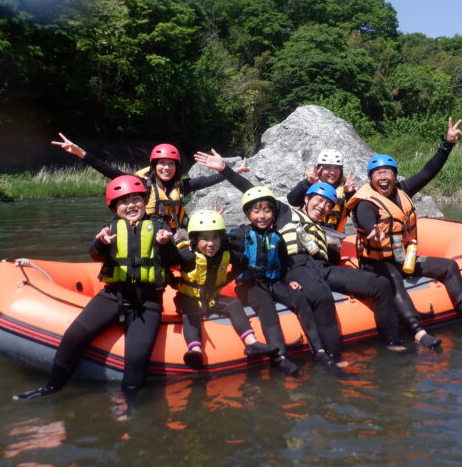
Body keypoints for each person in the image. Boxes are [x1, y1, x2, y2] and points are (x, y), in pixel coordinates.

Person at [194, 149, 407, 367]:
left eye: (328, 204)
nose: (322, 207)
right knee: (321, 295)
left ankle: (392, 341)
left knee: (380, 284)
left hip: (323, 268)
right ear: (306, 199)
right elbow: (256, 194)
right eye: (318, 200)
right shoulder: (286, 214)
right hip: (295, 265)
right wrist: (225, 170)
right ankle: (333, 358)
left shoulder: (325, 229)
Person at [346, 117, 462, 350]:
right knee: (394, 282)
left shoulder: (402, 190)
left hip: (402, 257)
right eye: (378, 173)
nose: (383, 177)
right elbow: (366, 220)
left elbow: (429, 171)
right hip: (376, 263)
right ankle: (419, 333)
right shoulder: (364, 202)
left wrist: (447, 143)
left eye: (388, 172)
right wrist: (373, 231)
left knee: (449, 266)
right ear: (371, 178)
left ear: (394, 176)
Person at [14, 175, 177, 400]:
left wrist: (167, 245)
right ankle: (52, 387)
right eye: (123, 201)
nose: (131, 205)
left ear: (144, 200)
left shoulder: (160, 228)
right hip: (113, 295)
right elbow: (95, 254)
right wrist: (101, 243)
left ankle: (131, 402)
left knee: (138, 356)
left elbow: (176, 261)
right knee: (73, 336)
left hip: (147, 301)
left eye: (136, 199)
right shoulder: (108, 230)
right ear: (114, 207)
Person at [227, 186, 331, 375]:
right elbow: (219, 244)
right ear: (248, 213)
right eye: (256, 211)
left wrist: (289, 281)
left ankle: (320, 350)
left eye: (267, 211)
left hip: (272, 282)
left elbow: (284, 264)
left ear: (274, 214)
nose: (262, 216)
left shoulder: (277, 237)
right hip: (249, 286)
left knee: (299, 298)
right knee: (266, 304)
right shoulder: (239, 235)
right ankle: (280, 357)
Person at [51, 133, 244, 232]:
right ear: (154, 166)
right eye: (162, 164)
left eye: (171, 164)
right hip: (150, 236)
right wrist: (81, 154)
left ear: (176, 167)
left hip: (175, 237)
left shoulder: (181, 186)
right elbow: (111, 172)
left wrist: (231, 172)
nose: (166, 168)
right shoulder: (141, 183)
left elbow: (207, 180)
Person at [175, 209, 278, 370]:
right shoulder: (186, 255)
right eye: (205, 238)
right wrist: (172, 282)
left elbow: (243, 261)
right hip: (189, 298)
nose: (211, 243)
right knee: (190, 310)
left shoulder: (226, 254)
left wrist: (227, 279)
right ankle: (195, 350)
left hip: (212, 297)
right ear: (195, 240)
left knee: (234, 304)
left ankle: (252, 343)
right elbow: (166, 262)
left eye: (215, 237)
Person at [286, 148, 357, 232]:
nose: (332, 172)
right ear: (320, 168)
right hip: (306, 232)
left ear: (341, 170)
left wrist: (350, 194)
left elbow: (357, 215)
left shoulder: (346, 187)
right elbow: (292, 201)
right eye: (327, 167)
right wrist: (307, 183)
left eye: (336, 168)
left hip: (333, 238)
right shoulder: (311, 181)